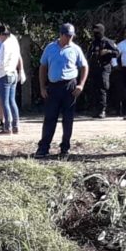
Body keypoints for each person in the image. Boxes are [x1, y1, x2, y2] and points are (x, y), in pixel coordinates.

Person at [35, 23, 88, 158]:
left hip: (69, 87)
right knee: (50, 118)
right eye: (68, 36)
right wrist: (42, 87)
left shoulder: (75, 49)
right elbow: (43, 67)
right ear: (61, 35)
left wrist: (81, 84)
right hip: (53, 87)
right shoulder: (50, 48)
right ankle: (43, 147)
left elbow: (84, 66)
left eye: (72, 36)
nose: (70, 38)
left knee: (68, 119)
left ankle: (65, 148)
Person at [0, 25, 25, 135]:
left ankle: (7, 127)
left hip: (4, 74)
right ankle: (16, 126)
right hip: (13, 73)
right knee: (11, 100)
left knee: (4, 101)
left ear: (2, 35)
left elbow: (1, 63)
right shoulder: (13, 40)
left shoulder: (5, 45)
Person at [87, 23, 119, 118]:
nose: (95, 33)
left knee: (102, 88)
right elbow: (89, 55)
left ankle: (102, 110)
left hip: (104, 68)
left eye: (97, 31)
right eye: (94, 31)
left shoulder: (108, 42)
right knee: (94, 89)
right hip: (94, 68)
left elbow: (117, 53)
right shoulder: (93, 43)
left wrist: (108, 51)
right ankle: (95, 109)